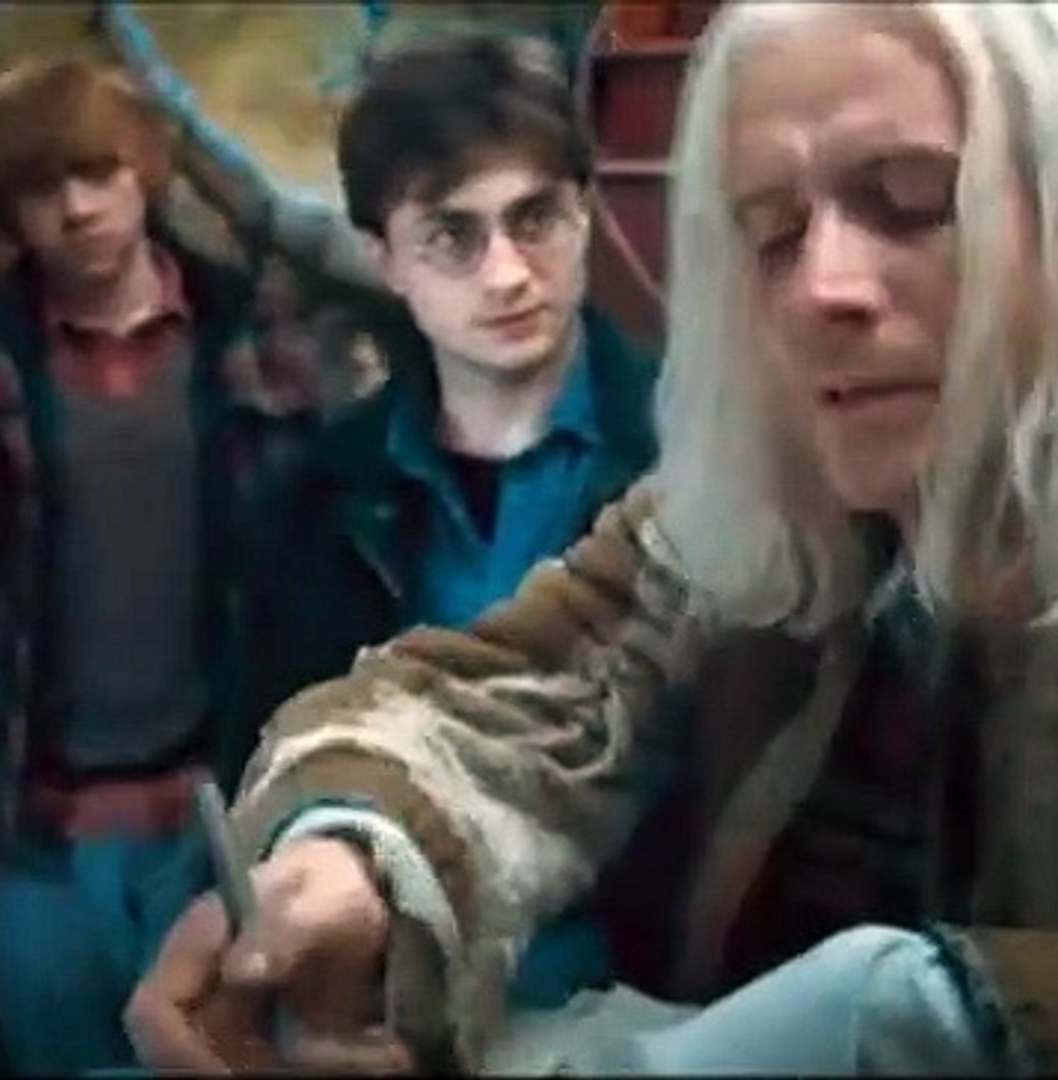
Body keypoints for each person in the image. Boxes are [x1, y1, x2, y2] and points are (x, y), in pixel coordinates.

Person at [123, 2, 1058, 1075]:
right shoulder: (774, 504)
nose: (821, 288)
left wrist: (928, 1018)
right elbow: (505, 699)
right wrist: (345, 863)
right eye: (768, 230)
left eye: (910, 204)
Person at [103, 17, 667, 1012]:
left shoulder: (687, 460)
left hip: (643, 1002)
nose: (506, 273)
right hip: (379, 1003)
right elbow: (262, 760)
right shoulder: (319, 498)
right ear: (387, 259)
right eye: (452, 236)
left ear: (585, 213)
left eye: (536, 218)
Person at [0, 58, 324, 1075]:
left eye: (97, 172)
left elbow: (314, 581)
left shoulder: (245, 335)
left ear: (144, 170)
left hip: (215, 817)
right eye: (40, 188)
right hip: (33, 838)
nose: (76, 209)